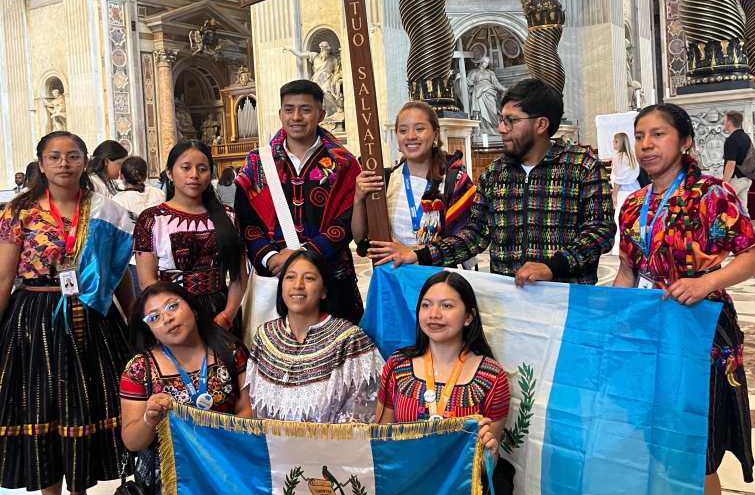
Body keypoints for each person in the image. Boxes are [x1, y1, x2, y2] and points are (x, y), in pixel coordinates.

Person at [613, 103, 755, 495]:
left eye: (658, 134)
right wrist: (613, 318)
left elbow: (752, 256)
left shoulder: (711, 196)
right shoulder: (633, 206)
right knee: (661, 450)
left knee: (697, 453)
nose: (647, 144)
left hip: (704, 337)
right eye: (640, 136)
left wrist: (706, 282)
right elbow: (627, 273)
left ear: (684, 142)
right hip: (653, 336)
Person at [0, 131, 134, 495]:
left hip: (92, 319)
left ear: (83, 162)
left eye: (72, 156)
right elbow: (4, 277)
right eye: (54, 157)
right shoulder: (17, 213)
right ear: (41, 164)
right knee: (44, 411)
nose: (64, 164)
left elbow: (121, 274)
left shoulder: (105, 211)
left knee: (88, 409)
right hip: (35, 320)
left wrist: (134, 323)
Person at [369, 79, 615, 285]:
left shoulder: (582, 167)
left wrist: (553, 267)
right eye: (501, 119)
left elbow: (600, 232)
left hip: (569, 297)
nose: (500, 128)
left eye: (511, 120)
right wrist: (419, 254)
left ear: (541, 124)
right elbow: (474, 235)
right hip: (511, 297)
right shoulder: (495, 174)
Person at [375, 271, 511, 495]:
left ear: (468, 316)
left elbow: (490, 461)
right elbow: (381, 437)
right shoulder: (396, 366)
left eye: (446, 306)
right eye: (427, 305)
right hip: (404, 490)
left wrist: (487, 447)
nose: (434, 315)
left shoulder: (492, 377)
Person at [120, 283, 249, 495]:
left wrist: (217, 447)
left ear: (191, 306)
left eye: (172, 306)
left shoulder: (229, 349)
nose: (166, 319)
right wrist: (149, 417)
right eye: (153, 317)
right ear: (148, 329)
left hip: (228, 456)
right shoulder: (139, 369)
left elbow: (248, 411)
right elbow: (132, 441)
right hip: (170, 470)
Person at [235, 79, 363, 323]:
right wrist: (269, 257)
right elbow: (246, 220)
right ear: (281, 113)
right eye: (289, 109)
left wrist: (303, 255)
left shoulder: (344, 163)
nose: (296, 116)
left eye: (305, 109)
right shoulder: (257, 163)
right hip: (274, 278)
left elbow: (347, 219)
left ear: (321, 114)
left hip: (331, 280)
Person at [245, 251, 380, 422]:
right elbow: (252, 408)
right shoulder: (265, 337)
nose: (298, 285)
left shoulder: (350, 340)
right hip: (270, 447)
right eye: (290, 277)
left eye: (309, 278)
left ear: (324, 290)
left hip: (334, 447)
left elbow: (365, 414)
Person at [133, 140, 246, 330]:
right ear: (170, 173)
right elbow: (147, 282)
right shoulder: (151, 219)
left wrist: (228, 314)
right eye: (186, 168)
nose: (194, 175)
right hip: (172, 316)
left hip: (222, 314)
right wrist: (178, 316)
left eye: (202, 169)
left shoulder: (228, 216)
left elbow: (238, 275)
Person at [352, 101, 475, 254]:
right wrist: (358, 199)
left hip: (437, 275)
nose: (411, 136)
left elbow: (468, 241)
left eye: (419, 129)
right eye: (403, 130)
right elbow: (360, 238)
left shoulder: (455, 180)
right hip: (394, 274)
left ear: (435, 134)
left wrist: (415, 254)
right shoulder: (386, 179)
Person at [112, 156, 166, 293]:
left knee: (141, 301)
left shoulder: (118, 200)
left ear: (122, 176)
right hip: (161, 255)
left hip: (134, 259)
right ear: (146, 174)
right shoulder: (159, 194)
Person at [610, 131, 640, 256]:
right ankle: (636, 247)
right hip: (635, 190)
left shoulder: (618, 157)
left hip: (622, 192)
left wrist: (614, 194)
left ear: (620, 142)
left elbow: (618, 178)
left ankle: (620, 249)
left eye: (615, 141)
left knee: (619, 219)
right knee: (634, 220)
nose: (613, 143)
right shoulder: (632, 156)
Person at [722, 110, 753, 212]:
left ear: (729, 123)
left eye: (724, 121)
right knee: (742, 210)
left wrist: (724, 183)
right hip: (746, 179)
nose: (723, 123)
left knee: (725, 207)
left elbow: (731, 164)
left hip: (736, 180)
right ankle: (746, 228)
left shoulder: (731, 140)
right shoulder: (746, 137)